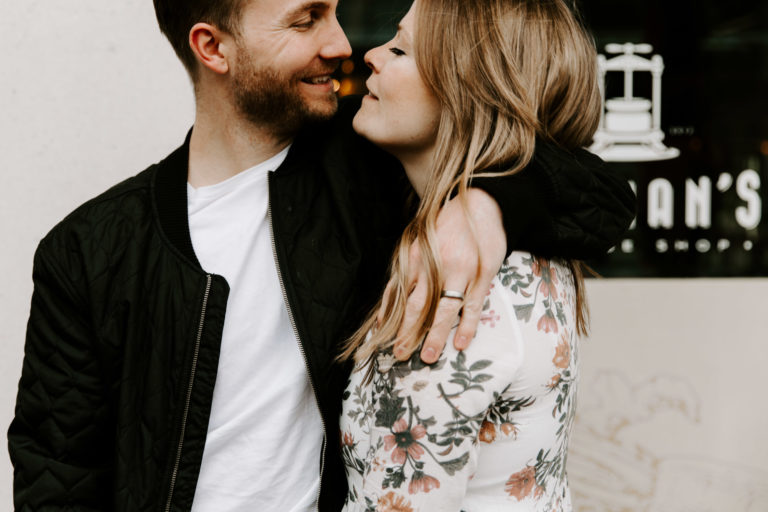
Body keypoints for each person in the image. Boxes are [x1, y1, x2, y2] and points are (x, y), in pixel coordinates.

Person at [7, 1, 633, 511]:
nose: (340, 44)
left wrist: (487, 202)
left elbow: (602, 196)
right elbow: (56, 478)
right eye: (307, 19)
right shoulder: (90, 249)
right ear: (213, 48)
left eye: (333, 12)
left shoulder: (371, 167)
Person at [339, 0, 606, 510]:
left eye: (400, 48)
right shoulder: (534, 251)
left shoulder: (455, 287)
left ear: (468, 92)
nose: (370, 54)